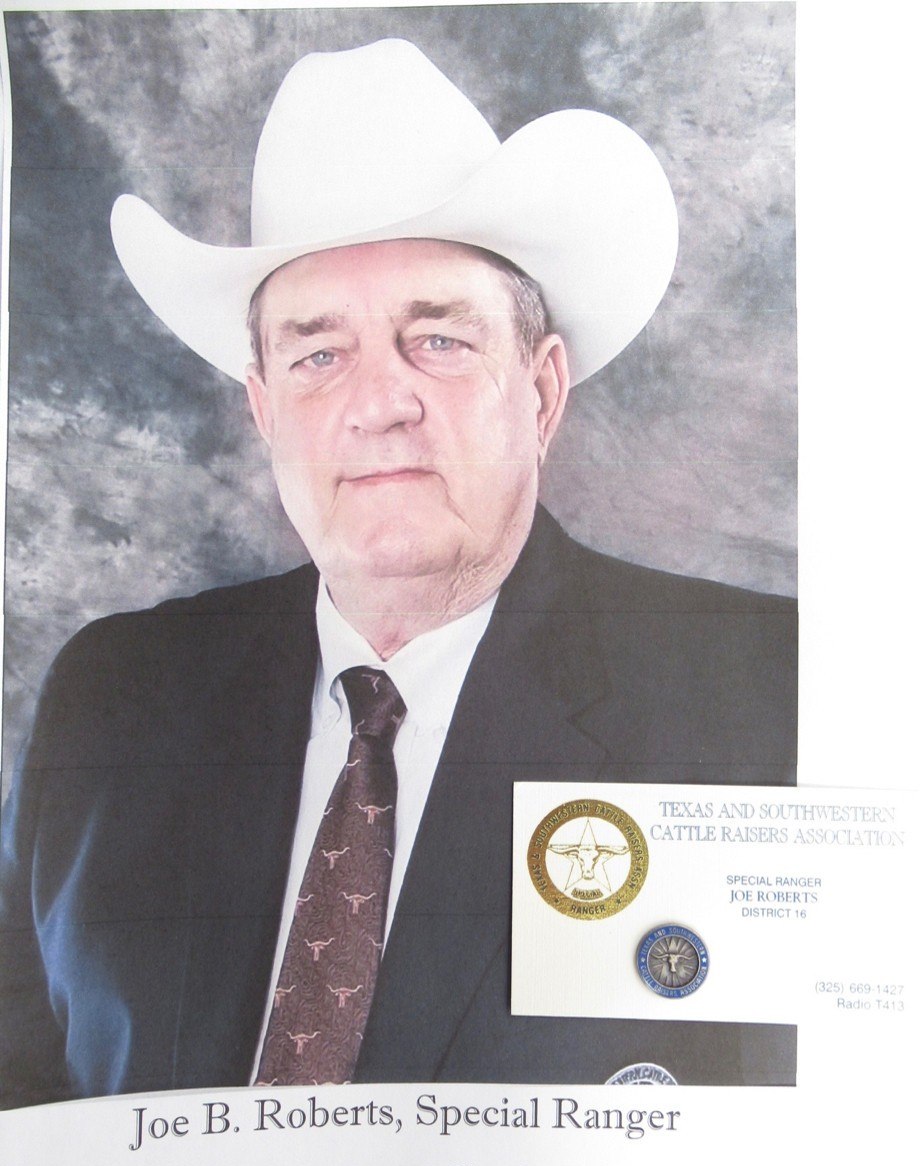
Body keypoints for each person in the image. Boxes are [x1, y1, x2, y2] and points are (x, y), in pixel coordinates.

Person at [0, 40, 797, 1108]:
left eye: (437, 341)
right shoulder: (112, 697)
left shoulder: (765, 700)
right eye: (318, 355)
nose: (378, 404)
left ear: (540, 391)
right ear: (264, 408)